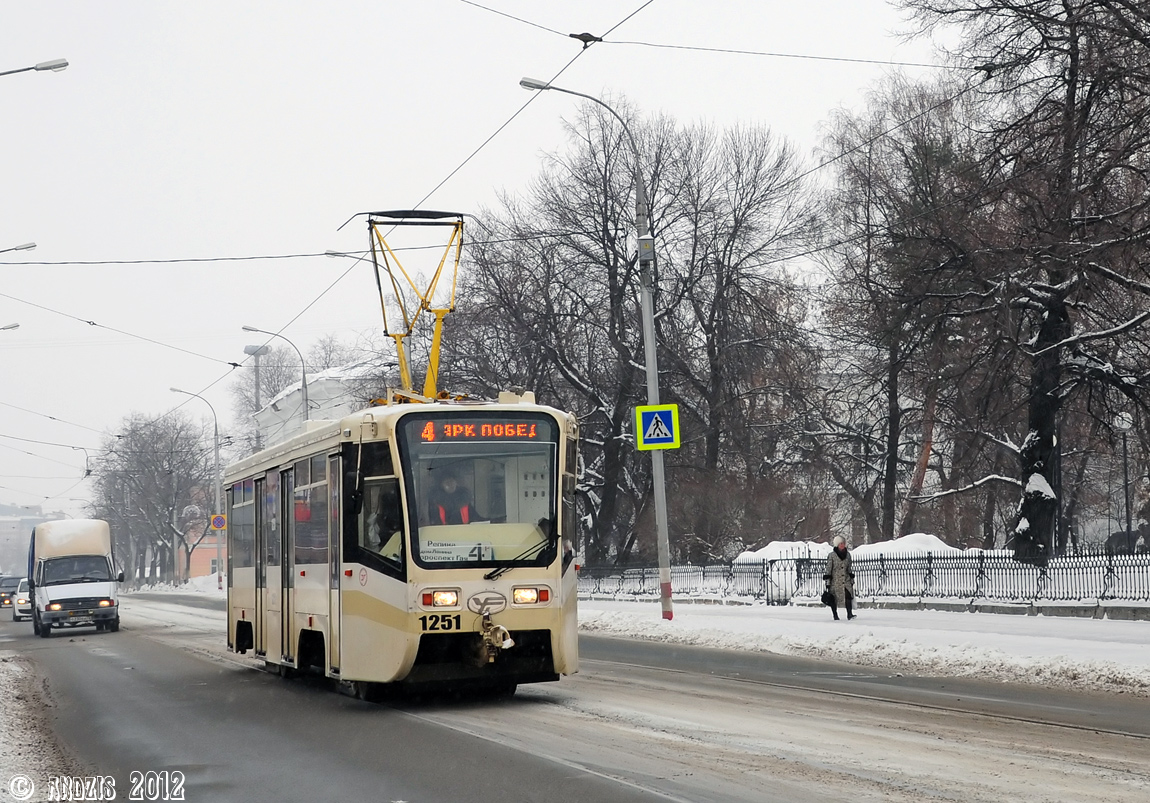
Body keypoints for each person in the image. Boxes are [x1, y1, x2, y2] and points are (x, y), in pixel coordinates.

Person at [824, 535, 856, 621]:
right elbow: (829, 568)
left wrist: (851, 577)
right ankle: (835, 615)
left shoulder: (848, 555)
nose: (842, 545)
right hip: (835, 581)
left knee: (848, 595)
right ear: (837, 545)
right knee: (833, 598)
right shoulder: (832, 555)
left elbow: (849, 567)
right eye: (841, 543)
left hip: (846, 580)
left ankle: (850, 614)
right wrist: (828, 580)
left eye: (843, 543)